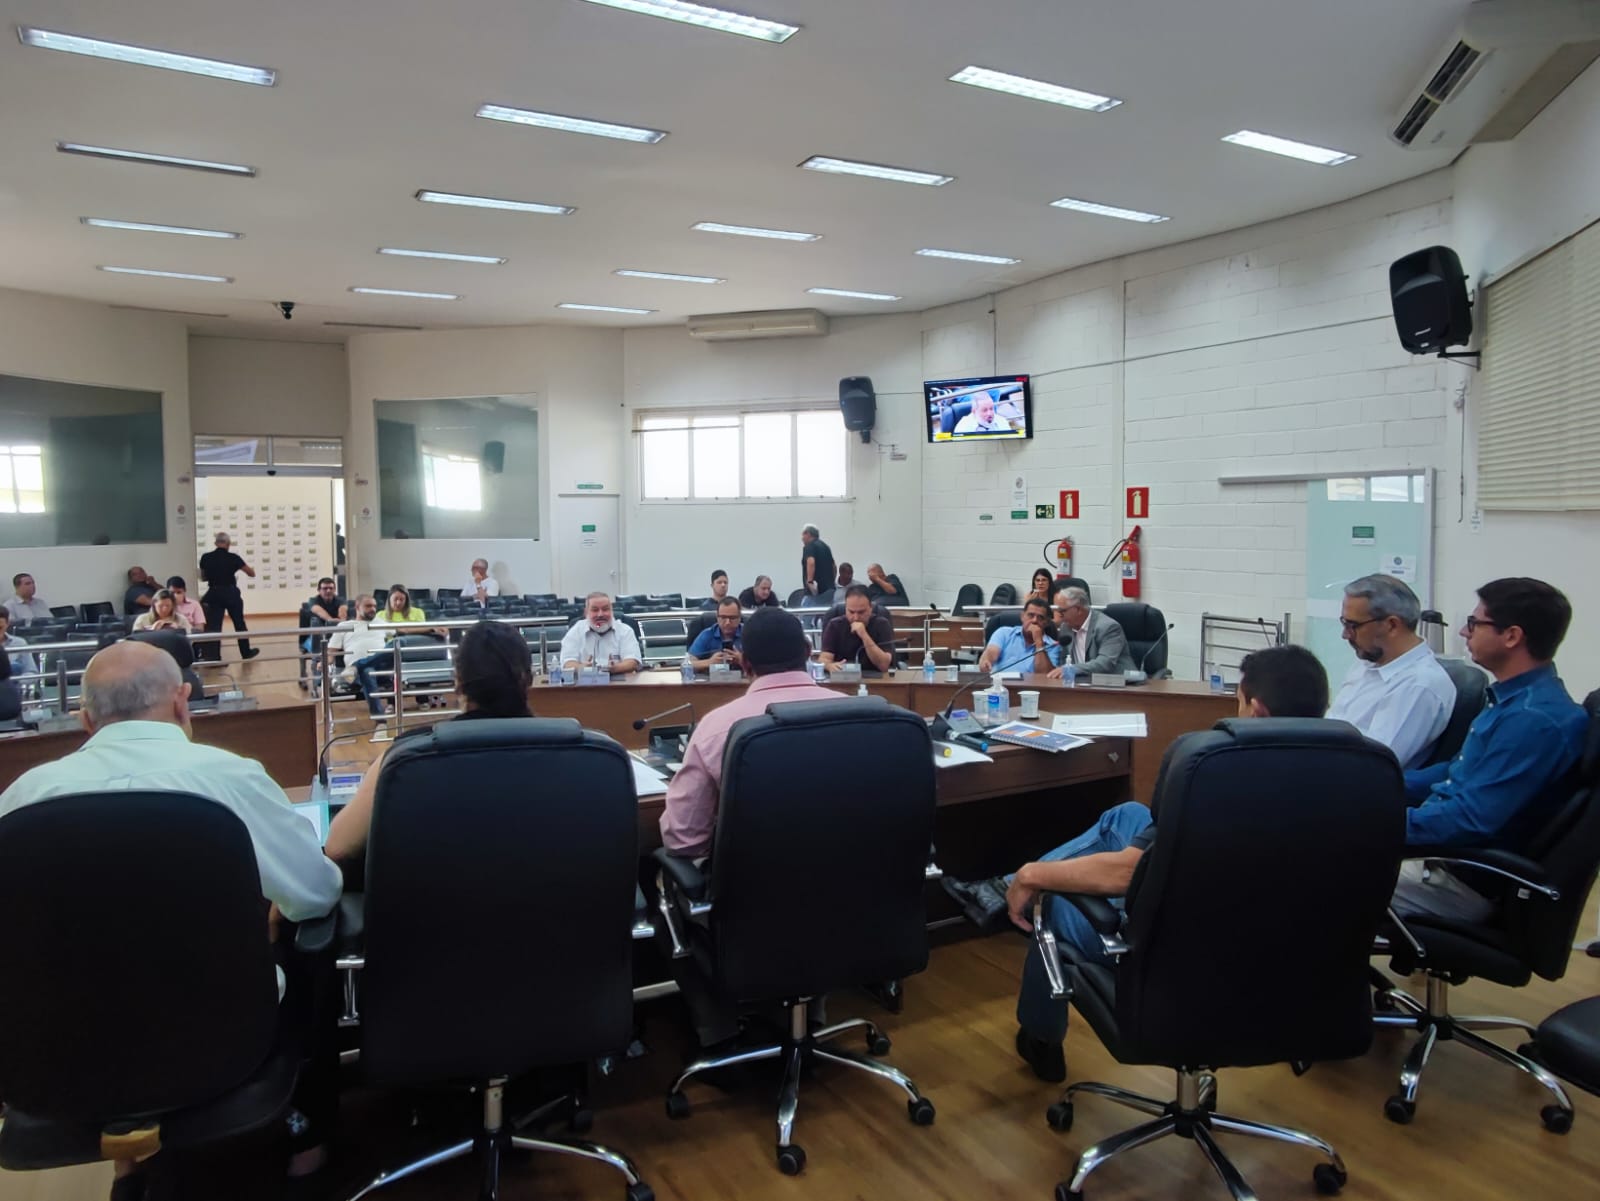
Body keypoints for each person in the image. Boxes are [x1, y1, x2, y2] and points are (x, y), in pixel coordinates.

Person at [0, 640, 342, 1188]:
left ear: (85, 720)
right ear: (183, 701)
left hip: (58, 1053)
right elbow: (317, 895)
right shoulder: (229, 777)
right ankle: (308, 1144)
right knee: (312, 942)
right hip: (226, 1042)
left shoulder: (20, 799)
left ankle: (130, 1158)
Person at [996, 644, 1330, 1081]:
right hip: (1292, 957)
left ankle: (1040, 1038)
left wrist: (1033, 874)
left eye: (1238, 702)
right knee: (1127, 817)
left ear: (1257, 711)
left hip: (1187, 962)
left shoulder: (1214, 776)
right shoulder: (1353, 775)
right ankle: (1005, 883)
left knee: (1055, 902)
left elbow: (1127, 873)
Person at [1394, 578, 1588, 923]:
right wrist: (1376, 784)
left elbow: (1469, 819)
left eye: (1474, 623)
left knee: (1307, 869)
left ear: (1512, 636)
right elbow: (1454, 773)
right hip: (1438, 861)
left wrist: (1372, 821)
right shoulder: (1514, 702)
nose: (1464, 632)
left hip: (1456, 879)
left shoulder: (1533, 720)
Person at [325, 621, 535, 865]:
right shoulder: (574, 750)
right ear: (528, 680)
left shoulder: (404, 758)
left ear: (457, 681)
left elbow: (337, 847)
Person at [661, 608, 844, 859]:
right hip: (861, 876)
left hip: (756, 880)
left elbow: (683, 838)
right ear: (807, 652)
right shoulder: (860, 714)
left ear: (745, 663)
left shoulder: (716, 728)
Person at [1326, 574, 1456, 769]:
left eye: (1353, 626)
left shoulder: (1419, 684)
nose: (1345, 635)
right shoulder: (1367, 664)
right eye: (1344, 623)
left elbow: (1375, 764)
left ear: (1392, 625)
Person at [355, 586, 433, 716]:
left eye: (402, 599)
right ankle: (392, 702)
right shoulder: (380, 615)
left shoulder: (418, 612)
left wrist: (404, 631)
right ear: (389, 600)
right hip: (389, 651)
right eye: (395, 599)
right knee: (391, 664)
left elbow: (422, 631)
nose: (398, 602)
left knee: (420, 662)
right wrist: (404, 631)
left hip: (411, 649)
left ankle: (422, 699)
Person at [1046, 586, 1134, 677]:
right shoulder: (1066, 627)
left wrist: (1073, 669)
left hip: (1117, 682)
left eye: (1062, 611)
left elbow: (1105, 663)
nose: (1060, 616)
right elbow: (1064, 659)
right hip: (1081, 681)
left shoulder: (1108, 627)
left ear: (1078, 609)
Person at [198, 532, 258, 661]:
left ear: (216, 543)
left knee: (214, 626)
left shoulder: (206, 557)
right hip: (231, 593)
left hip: (214, 593)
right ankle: (246, 652)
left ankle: (213, 656)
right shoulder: (234, 558)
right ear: (228, 544)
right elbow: (251, 573)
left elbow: (203, 577)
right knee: (239, 623)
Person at [559, 592, 642, 674]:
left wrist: (614, 668)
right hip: (585, 680)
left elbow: (633, 662)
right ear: (586, 612)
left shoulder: (625, 631)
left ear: (611, 611)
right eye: (595, 610)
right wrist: (582, 668)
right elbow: (567, 663)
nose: (600, 614)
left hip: (618, 679)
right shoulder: (576, 630)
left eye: (605, 609)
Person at [820, 585, 894, 673]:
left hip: (875, 677)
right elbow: (824, 659)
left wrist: (864, 635)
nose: (856, 618)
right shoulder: (835, 625)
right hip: (844, 677)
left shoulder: (882, 624)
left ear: (870, 608)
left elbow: (884, 665)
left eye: (861, 612)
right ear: (846, 608)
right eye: (851, 612)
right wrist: (829, 666)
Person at [978, 597, 1061, 674]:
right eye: (1031, 615)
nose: (1034, 620)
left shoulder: (1053, 646)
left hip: (1032, 685)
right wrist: (986, 660)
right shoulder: (1004, 633)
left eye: (1040, 617)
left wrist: (1039, 642)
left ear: (1046, 623)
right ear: (1022, 617)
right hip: (1000, 683)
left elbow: (1044, 675)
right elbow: (991, 652)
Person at [299, 578, 348, 691]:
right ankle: (319, 683)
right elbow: (319, 611)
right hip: (313, 638)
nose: (328, 590)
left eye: (331, 588)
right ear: (319, 590)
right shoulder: (313, 601)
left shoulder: (340, 600)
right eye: (325, 588)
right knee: (319, 650)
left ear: (334, 589)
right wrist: (332, 620)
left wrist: (341, 618)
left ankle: (340, 681)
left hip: (333, 637)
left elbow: (343, 610)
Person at [330, 595, 385, 690]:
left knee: (397, 643)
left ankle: (357, 666)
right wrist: (325, 662)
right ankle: (359, 668)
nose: (373, 609)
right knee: (367, 671)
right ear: (357, 607)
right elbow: (331, 651)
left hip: (382, 668)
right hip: (358, 675)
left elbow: (402, 630)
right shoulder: (344, 626)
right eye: (368, 606)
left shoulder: (380, 623)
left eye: (374, 606)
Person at [687, 597, 745, 670]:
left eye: (732, 618)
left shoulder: (749, 634)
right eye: (723, 617)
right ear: (717, 617)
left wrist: (742, 660)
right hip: (713, 676)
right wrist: (710, 662)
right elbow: (687, 664)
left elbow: (759, 663)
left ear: (739, 618)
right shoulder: (707, 634)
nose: (727, 622)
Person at [800, 524, 836, 599]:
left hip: (816, 591)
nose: (802, 538)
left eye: (803, 535)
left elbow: (811, 562)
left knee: (807, 606)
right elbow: (834, 566)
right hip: (829, 590)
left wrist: (810, 582)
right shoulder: (825, 546)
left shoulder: (809, 546)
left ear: (808, 534)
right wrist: (831, 581)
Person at [0, 610, 36, 681]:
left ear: (7, 624)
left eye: (0, 628)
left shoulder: (19, 643)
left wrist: (17, 681)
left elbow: (31, 672)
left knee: (15, 667)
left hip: (12, 685)